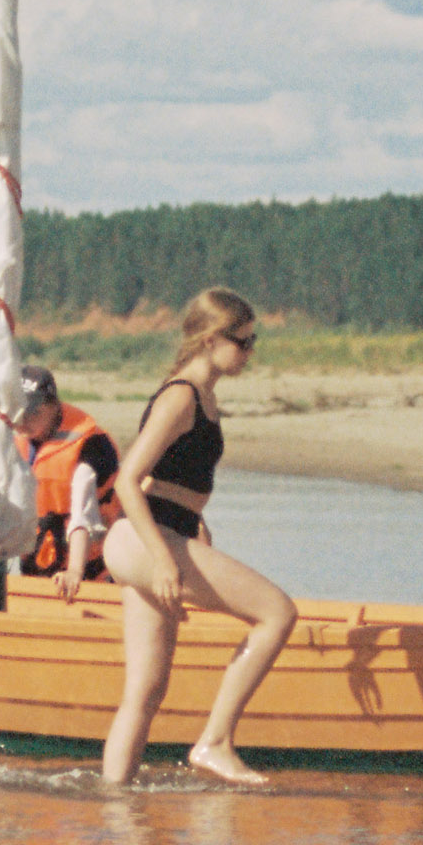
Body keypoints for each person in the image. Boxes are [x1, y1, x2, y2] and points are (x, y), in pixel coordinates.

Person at [97, 286, 294, 787]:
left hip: (156, 536)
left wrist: (195, 528)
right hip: (146, 540)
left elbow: (170, 482)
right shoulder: (182, 395)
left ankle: (115, 806)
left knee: (144, 693)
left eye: (254, 341)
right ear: (210, 339)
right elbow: (126, 480)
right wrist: (165, 560)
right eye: (244, 341)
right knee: (276, 614)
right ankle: (215, 742)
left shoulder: (202, 395)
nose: (251, 351)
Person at [13, 366, 122, 599]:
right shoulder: (16, 441)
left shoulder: (89, 448)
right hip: (37, 566)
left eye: (33, 412)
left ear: (53, 406)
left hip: (93, 570)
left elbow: (82, 514)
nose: (24, 420)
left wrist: (75, 571)